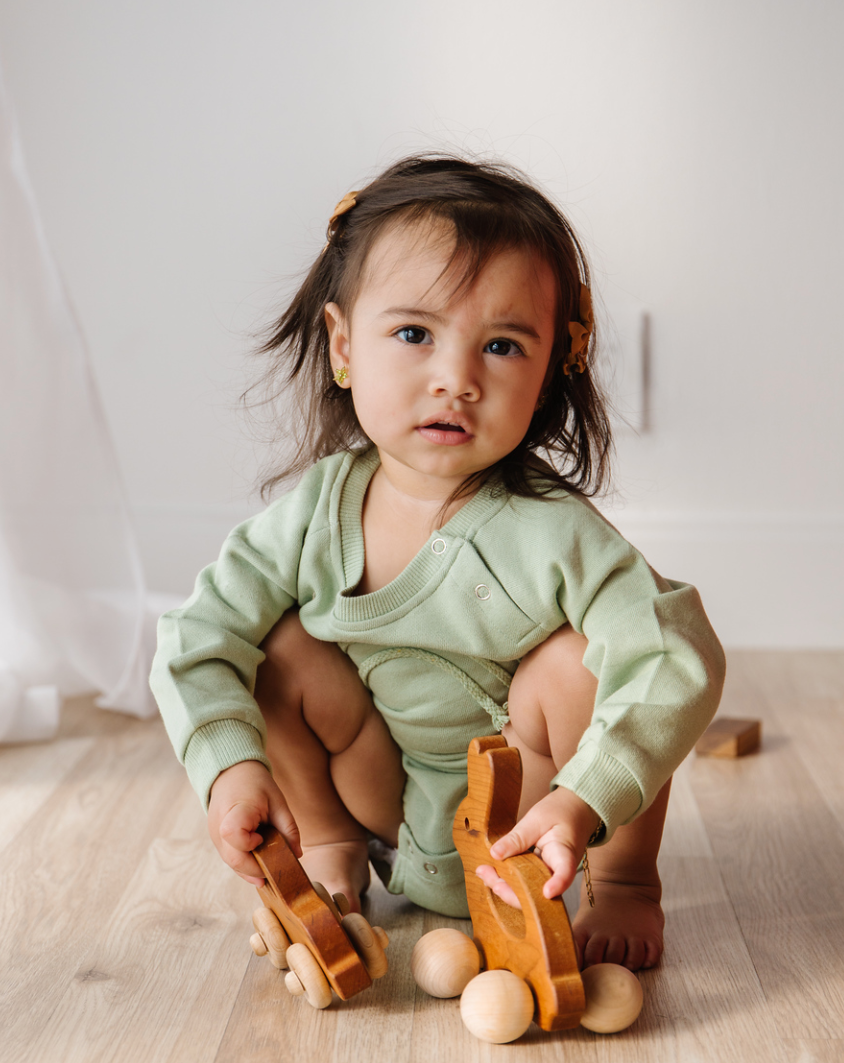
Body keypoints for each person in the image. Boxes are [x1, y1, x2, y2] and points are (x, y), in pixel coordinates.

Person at [151, 154, 725, 972]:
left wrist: (580, 799)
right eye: (414, 333)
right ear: (344, 345)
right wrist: (231, 770)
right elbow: (196, 637)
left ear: (549, 373)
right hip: (382, 791)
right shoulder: (316, 514)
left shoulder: (549, 531)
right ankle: (331, 843)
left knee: (580, 666)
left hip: (529, 802)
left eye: (500, 345)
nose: (455, 380)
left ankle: (629, 879)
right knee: (277, 648)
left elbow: (677, 653)